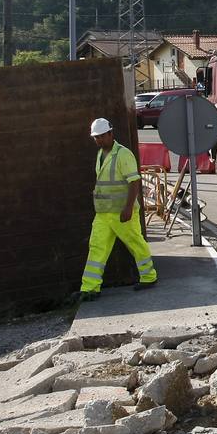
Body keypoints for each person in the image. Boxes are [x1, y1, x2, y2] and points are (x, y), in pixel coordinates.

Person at [80, 118, 157, 302]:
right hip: (103, 213)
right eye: (96, 137)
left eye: (101, 136)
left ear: (110, 134)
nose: (98, 140)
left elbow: (134, 182)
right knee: (96, 247)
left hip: (122, 213)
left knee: (135, 243)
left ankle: (149, 277)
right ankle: (90, 288)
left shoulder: (123, 154)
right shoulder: (100, 155)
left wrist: (129, 208)